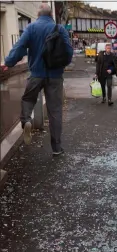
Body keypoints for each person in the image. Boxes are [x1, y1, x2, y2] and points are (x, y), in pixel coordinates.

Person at [1, 4, 73, 156]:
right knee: (55, 112)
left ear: (38, 15)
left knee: (28, 98)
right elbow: (68, 52)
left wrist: (8, 63)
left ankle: (27, 120)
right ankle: (56, 148)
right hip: (55, 76)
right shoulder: (59, 29)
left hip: (36, 74)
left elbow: (19, 47)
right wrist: (60, 66)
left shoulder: (31, 28)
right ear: (51, 15)